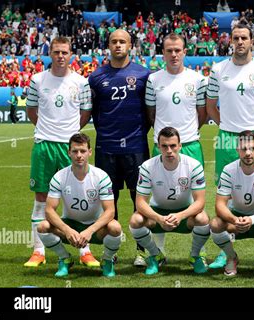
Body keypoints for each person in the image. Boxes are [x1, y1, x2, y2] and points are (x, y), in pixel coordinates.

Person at [206, 23, 254, 268]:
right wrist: (228, 125)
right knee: (225, 192)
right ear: (231, 41)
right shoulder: (218, 70)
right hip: (227, 136)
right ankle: (226, 251)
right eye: (236, 38)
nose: (240, 42)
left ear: (252, 40)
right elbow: (210, 105)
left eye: (244, 38)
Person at [25, 36, 94, 268]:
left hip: (70, 147)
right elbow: (31, 110)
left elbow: (85, 113)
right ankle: (38, 251)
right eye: (56, 52)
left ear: (71, 54)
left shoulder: (81, 82)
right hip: (44, 145)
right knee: (41, 199)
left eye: (65, 52)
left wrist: (69, 133)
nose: (60, 56)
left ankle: (84, 250)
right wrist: (48, 131)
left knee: (77, 199)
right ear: (50, 54)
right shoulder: (37, 79)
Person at [145, 32, 208, 268]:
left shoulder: (198, 79)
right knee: (158, 199)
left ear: (185, 52)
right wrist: (166, 140)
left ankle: (196, 254)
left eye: (177, 50)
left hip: (190, 145)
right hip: (161, 147)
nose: (173, 54)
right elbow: (151, 113)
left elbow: (202, 113)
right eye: (169, 50)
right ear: (163, 52)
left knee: (195, 201)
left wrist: (186, 135)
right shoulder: (153, 80)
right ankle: (156, 254)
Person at [89, 29, 151, 267]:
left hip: (136, 147)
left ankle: (142, 251)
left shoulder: (144, 75)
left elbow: (148, 113)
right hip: (106, 148)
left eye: (122, 41)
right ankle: (111, 250)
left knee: (140, 201)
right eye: (114, 41)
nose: (118, 45)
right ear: (108, 45)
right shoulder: (96, 77)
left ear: (130, 45)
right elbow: (94, 112)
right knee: (108, 202)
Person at [36, 133, 122, 277]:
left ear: (90, 152)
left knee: (115, 227)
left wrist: (90, 231)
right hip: (70, 225)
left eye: (82, 151)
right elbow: (49, 210)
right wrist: (67, 230)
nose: (79, 155)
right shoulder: (59, 177)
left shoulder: (101, 176)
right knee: (42, 227)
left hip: (95, 227)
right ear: (69, 152)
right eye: (75, 151)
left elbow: (110, 211)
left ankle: (107, 260)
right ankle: (65, 258)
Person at [129, 127, 210, 275]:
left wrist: (180, 216)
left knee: (203, 218)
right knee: (135, 220)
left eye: (173, 146)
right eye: (164, 146)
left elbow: (200, 202)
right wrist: (159, 218)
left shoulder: (194, 165)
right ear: (158, 147)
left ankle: (195, 255)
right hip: (158, 214)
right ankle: (155, 255)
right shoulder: (147, 167)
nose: (169, 150)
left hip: (185, 213)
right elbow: (140, 202)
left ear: (180, 146)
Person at [211, 130, 254, 277]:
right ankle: (231, 257)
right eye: (244, 149)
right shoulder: (228, 170)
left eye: (252, 149)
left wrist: (252, 219)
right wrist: (234, 219)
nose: (248, 153)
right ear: (237, 150)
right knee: (215, 224)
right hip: (235, 220)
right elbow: (220, 205)